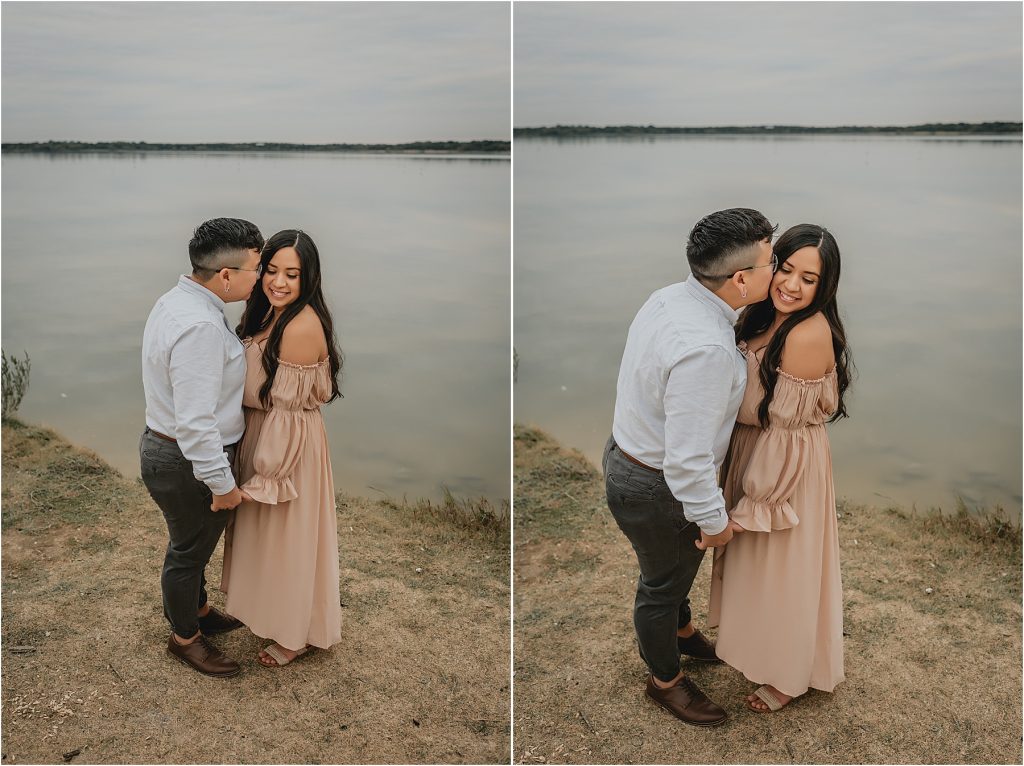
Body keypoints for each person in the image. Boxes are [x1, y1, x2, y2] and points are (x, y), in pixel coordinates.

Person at [604, 208, 777, 727]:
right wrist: (714, 521)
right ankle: (665, 681)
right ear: (741, 278)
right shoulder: (706, 350)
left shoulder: (670, 297)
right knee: (661, 585)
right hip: (656, 485)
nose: (779, 269)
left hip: (627, 454)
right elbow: (687, 460)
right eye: (772, 262)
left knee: (671, 570)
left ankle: (681, 633)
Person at [707, 223, 852, 712]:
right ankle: (759, 650)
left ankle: (791, 673)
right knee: (757, 571)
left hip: (782, 467)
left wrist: (753, 504)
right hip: (752, 448)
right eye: (786, 269)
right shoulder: (758, 314)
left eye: (808, 279)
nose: (791, 285)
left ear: (824, 286)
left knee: (784, 572)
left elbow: (786, 434)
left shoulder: (808, 334)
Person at [140, 217, 264, 678]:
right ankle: (185, 638)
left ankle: (201, 608)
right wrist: (222, 484)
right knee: (187, 552)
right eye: (257, 268)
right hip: (186, 460)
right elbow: (195, 426)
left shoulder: (179, 301)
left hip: (165, 447)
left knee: (191, 543)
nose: (264, 278)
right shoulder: (201, 329)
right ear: (226, 275)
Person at [220, 229, 344, 667]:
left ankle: (297, 634)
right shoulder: (264, 314)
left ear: (308, 278)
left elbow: (288, 412)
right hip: (261, 430)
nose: (279, 282)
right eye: (271, 270)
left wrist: (267, 475)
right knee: (267, 539)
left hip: (285, 444)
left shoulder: (301, 325)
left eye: (292, 274)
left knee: (289, 540)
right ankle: (271, 613)